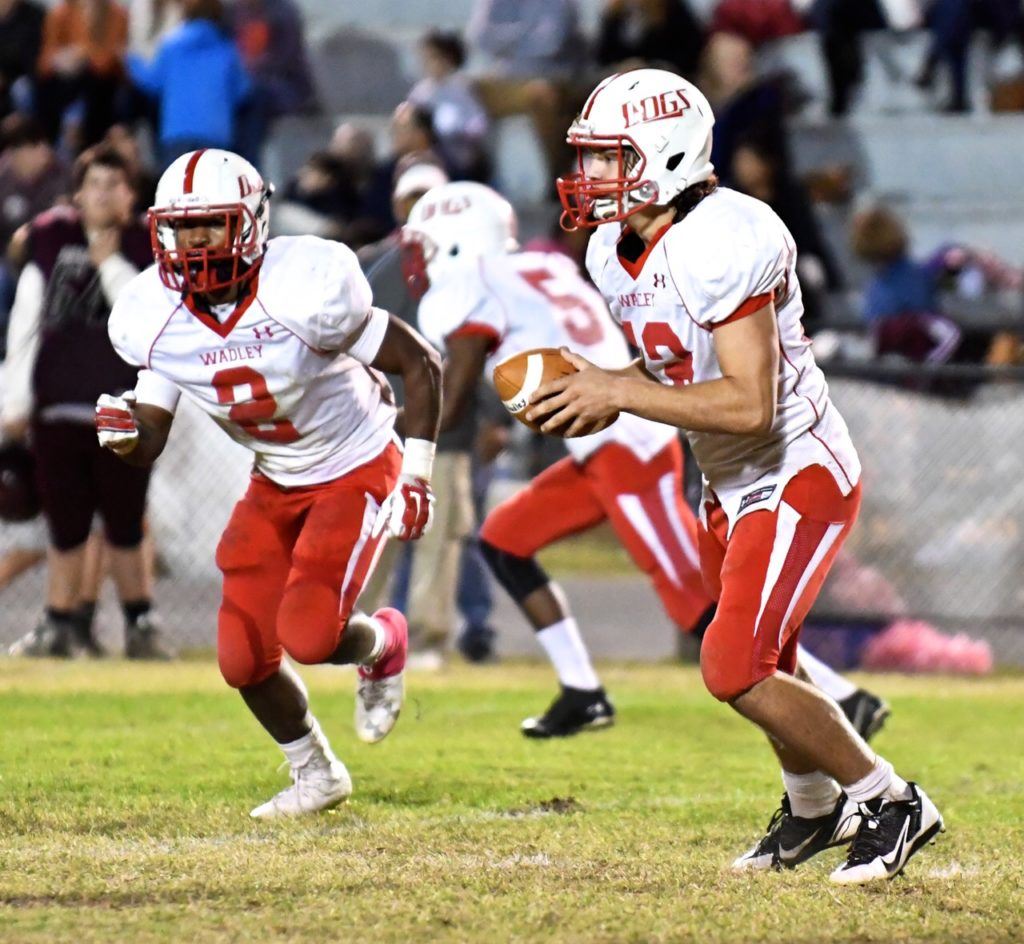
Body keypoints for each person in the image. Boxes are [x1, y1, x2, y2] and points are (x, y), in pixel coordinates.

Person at [541, 68, 941, 881]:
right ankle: (811, 808)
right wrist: (597, 382)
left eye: (610, 158)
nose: (591, 177)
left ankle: (892, 800)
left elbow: (751, 403)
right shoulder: (611, 250)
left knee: (736, 665)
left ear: (666, 157)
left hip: (794, 468)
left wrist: (616, 388)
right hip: (727, 481)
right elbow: (670, 361)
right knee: (770, 658)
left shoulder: (726, 236)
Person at [403, 179, 888, 741]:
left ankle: (844, 698)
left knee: (695, 602)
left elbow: (457, 390)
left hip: (626, 435)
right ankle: (582, 691)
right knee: (504, 541)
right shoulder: (546, 267)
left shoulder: (470, 284)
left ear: (457, 241)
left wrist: (401, 435)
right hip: (601, 438)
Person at [95, 148, 442, 818]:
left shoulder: (304, 283)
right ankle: (316, 772)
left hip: (355, 461)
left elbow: (419, 362)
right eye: (181, 227)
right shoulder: (155, 314)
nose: (194, 242)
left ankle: (384, 643)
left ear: (251, 223)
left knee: (311, 635)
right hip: (275, 479)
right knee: (242, 656)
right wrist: (125, 434)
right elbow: (151, 437)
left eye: (212, 225)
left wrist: (419, 472)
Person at [2, 143, 167, 659]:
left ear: (130, 195)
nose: (101, 193)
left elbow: (148, 321)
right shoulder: (51, 238)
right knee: (65, 525)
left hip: (122, 402)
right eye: (93, 184)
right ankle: (59, 622)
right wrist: (15, 402)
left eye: (112, 184)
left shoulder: (148, 245)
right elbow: (30, 320)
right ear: (76, 192)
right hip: (57, 405)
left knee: (125, 520)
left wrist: (109, 264)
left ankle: (140, 624)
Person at [358, 156, 497, 668]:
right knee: (375, 533)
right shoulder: (374, 265)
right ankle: (353, 627)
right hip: (384, 428)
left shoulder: (468, 266)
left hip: (448, 430)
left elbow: (481, 352)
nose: (419, 210)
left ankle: (429, 637)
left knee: (441, 542)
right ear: (396, 204)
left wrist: (495, 418)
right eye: (411, 200)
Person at [126, 0, 251, 171]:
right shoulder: (227, 51)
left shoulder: (172, 46)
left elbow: (153, 83)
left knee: (177, 191)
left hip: (177, 133)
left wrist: (131, 61)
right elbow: (242, 91)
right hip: (216, 134)